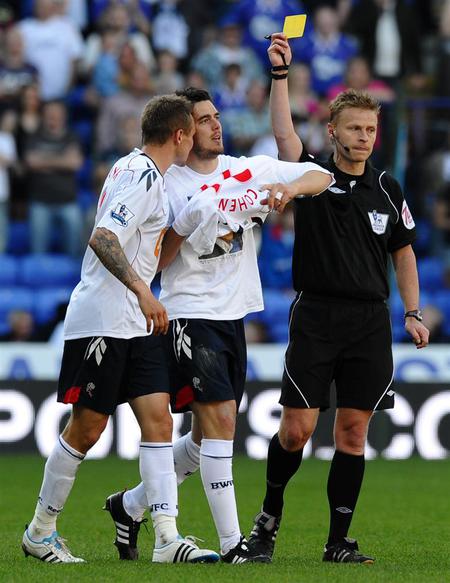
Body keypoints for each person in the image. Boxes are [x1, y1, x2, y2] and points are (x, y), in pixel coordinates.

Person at [105, 87, 333, 564]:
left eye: (216, 117)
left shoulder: (245, 169)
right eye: (204, 120)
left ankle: (130, 505)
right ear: (184, 133)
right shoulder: (167, 185)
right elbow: (156, 261)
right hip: (190, 312)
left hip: (235, 315)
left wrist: (289, 190)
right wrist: (185, 224)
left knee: (204, 438)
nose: (216, 125)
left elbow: (322, 176)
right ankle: (233, 545)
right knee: (222, 423)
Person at [246, 33, 430, 564]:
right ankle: (267, 521)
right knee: (296, 430)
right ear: (333, 131)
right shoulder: (312, 175)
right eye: (354, 128)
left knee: (353, 433)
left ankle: (338, 542)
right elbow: (283, 135)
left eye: (370, 129)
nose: (364, 137)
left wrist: (412, 312)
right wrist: (281, 76)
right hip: (317, 317)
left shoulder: (388, 189)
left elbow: (404, 253)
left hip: (370, 322)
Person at [21, 94, 220, 565]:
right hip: (105, 318)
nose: (197, 137)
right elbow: (103, 237)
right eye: (193, 130)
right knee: (88, 428)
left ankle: (166, 538)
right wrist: (142, 291)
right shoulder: (142, 176)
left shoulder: (138, 171)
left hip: (137, 323)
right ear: (179, 135)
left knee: (159, 421)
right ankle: (40, 531)